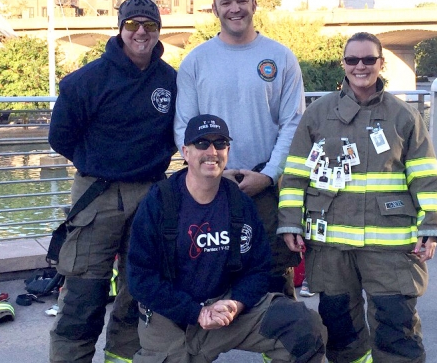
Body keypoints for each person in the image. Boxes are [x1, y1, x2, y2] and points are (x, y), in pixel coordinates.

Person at [277, 32, 437, 363]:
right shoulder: (318, 113)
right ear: (344, 64)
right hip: (332, 246)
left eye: (369, 59)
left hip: (390, 247)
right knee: (341, 330)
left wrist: (431, 225)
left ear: (381, 64)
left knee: (397, 328)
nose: (360, 66)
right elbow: (295, 173)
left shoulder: (403, 116)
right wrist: (290, 223)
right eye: (352, 59)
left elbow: (426, 176)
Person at [127, 114, 327, 362]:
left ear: (228, 151)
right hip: (173, 317)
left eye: (220, 143)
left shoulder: (239, 202)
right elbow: (140, 278)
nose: (212, 151)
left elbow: (258, 268)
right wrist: (196, 312)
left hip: (226, 307)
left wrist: (237, 303)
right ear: (185, 152)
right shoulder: (158, 202)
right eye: (202, 143)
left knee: (304, 326)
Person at [48, 0, 177, 363]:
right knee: (83, 296)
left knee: (138, 292)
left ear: (157, 32)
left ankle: (120, 358)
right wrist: (99, 163)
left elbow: (177, 133)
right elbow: (60, 138)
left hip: (151, 194)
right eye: (133, 24)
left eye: (149, 26)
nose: (141, 32)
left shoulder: (171, 81)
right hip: (97, 195)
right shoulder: (85, 82)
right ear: (120, 28)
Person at [174, 0, 305, 298]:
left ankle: (278, 344)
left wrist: (271, 175)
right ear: (215, 9)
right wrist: (210, 173)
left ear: (254, 4)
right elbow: (184, 127)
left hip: (264, 185)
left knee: (275, 271)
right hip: (210, 186)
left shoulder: (281, 58)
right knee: (206, 272)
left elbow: (293, 124)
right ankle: (206, 343)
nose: (235, 8)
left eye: (242, 0)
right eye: (226, 2)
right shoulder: (196, 61)